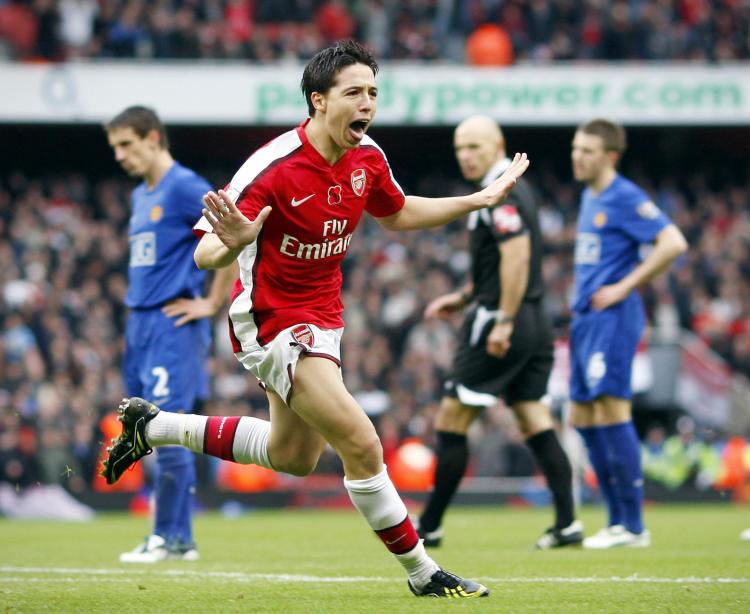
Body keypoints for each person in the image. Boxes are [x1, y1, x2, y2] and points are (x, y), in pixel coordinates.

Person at [102, 40, 530, 598]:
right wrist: (230, 244)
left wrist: (476, 200)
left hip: (324, 317)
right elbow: (206, 253)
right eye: (354, 92)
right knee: (362, 442)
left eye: (374, 93)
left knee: (293, 457)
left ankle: (153, 427)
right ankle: (424, 574)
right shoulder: (272, 167)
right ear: (318, 101)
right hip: (273, 321)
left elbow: (397, 214)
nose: (368, 104)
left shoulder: (367, 158)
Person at [414, 115, 582, 550]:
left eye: (475, 146)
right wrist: (464, 294)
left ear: (499, 145)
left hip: (503, 319)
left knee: (451, 420)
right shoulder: (501, 189)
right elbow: (498, 265)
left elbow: (516, 258)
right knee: (532, 417)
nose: (466, 156)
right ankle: (568, 523)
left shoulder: (502, 190)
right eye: (460, 149)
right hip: (534, 320)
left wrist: (502, 320)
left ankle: (429, 524)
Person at [104, 106, 238, 562]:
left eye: (127, 144)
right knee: (139, 429)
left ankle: (171, 538)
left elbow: (233, 237)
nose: (120, 156)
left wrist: (213, 302)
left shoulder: (183, 187)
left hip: (171, 324)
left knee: (163, 425)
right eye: (115, 147)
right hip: (139, 324)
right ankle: (172, 538)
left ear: (154, 138)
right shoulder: (143, 195)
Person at [569, 119, 687, 549]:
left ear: (610, 157)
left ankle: (632, 524)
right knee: (581, 416)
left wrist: (623, 286)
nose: (577, 156)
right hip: (585, 320)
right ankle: (617, 518)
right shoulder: (589, 196)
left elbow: (673, 242)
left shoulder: (624, 196)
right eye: (575, 148)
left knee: (612, 410)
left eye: (587, 151)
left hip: (614, 318)